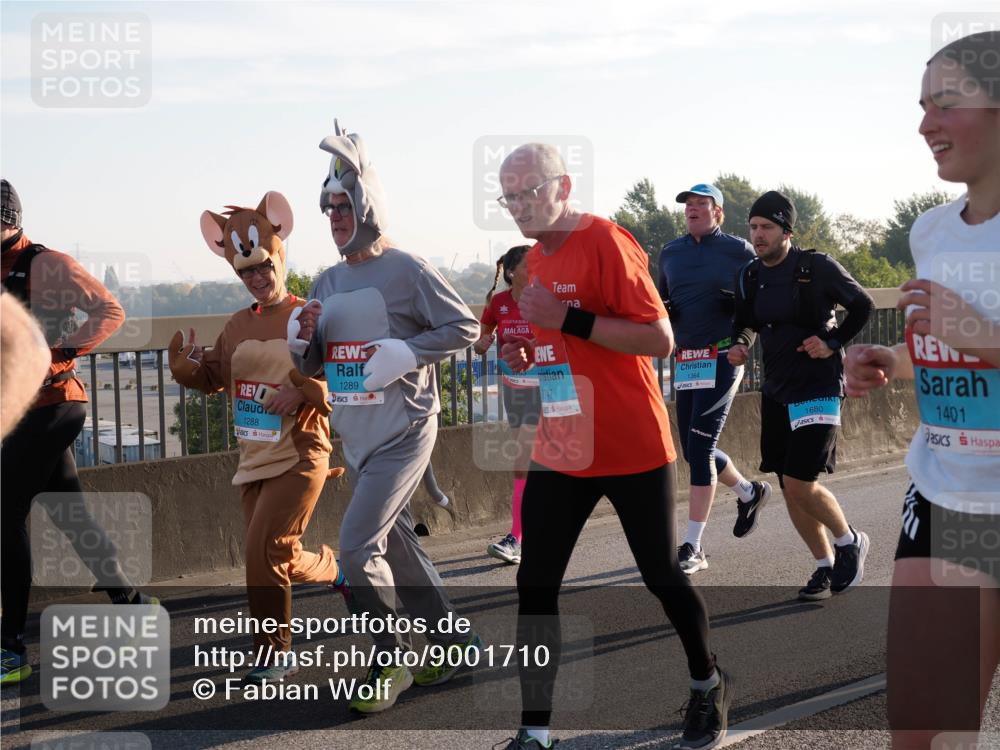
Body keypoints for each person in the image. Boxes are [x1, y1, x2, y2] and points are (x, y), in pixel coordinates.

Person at [497, 144, 731, 750]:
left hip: (631, 445)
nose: (519, 206)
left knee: (661, 575)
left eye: (529, 191)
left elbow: (660, 338)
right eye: (509, 196)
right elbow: (560, 345)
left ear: (563, 185)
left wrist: (567, 319)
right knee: (536, 583)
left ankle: (707, 684)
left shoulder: (604, 240)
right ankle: (535, 730)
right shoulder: (536, 262)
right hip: (564, 445)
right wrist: (527, 350)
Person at [290, 121, 481, 713]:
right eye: (328, 208)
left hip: (405, 430)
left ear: (368, 204)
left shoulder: (409, 269)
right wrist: (303, 341)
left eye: (344, 205)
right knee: (395, 547)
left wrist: (410, 352)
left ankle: (390, 655)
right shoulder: (326, 280)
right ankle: (454, 646)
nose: (334, 217)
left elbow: (466, 328)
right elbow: (322, 362)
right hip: (358, 437)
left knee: (353, 550)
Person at [845, 31, 999, 750]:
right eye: (921, 106)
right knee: (923, 732)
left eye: (946, 104)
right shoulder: (931, 231)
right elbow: (951, 350)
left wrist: (981, 335)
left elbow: (977, 339)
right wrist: (896, 360)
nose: (924, 125)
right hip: (947, 495)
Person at [168, 190, 350, 684]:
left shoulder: (312, 315)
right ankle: (338, 572)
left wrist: (302, 392)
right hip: (254, 456)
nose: (256, 278)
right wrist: (184, 367)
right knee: (281, 555)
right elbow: (214, 378)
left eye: (263, 267)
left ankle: (275, 651)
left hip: (301, 453)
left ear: (278, 258)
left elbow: (343, 384)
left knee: (260, 552)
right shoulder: (234, 325)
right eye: (246, 272)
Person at [1, 178, 153, 686]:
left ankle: (10, 649)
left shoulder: (48, 265)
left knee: (5, 518)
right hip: (19, 411)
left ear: (8, 220)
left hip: (55, 404)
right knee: (70, 513)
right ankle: (131, 605)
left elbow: (110, 310)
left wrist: (60, 353)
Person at [728, 191, 875, 601]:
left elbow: (862, 305)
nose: (758, 235)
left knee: (799, 480)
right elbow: (743, 324)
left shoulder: (817, 266)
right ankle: (824, 565)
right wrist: (738, 345)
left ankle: (848, 542)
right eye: (753, 227)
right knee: (788, 483)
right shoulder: (750, 275)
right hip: (777, 389)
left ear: (786, 231)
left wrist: (831, 341)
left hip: (819, 385)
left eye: (767, 228)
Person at [658, 183, 772, 574]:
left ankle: (693, 545)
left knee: (701, 447)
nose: (692, 210)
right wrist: (668, 311)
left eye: (701, 204)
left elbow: (759, 300)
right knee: (692, 449)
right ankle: (748, 491)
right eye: (688, 205)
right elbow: (660, 302)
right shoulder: (670, 252)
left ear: (718, 212)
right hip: (688, 358)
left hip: (724, 355)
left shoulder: (739, 250)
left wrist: (738, 311)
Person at [476, 244, 541, 564]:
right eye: (531, 264)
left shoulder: (544, 298)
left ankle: (518, 535)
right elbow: (480, 341)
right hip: (514, 388)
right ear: (513, 272)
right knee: (524, 461)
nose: (537, 269)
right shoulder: (499, 304)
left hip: (548, 386)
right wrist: (483, 342)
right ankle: (521, 533)